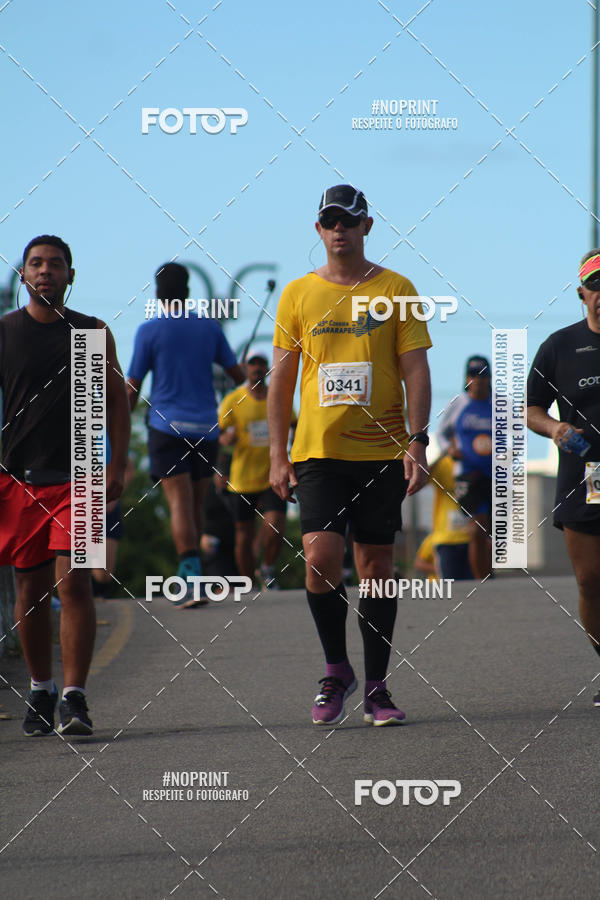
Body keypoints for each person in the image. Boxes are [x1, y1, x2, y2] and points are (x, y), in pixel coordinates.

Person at [268, 184, 432, 726]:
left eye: (349, 220)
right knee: (319, 559)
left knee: (377, 567)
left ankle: (378, 686)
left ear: (367, 226)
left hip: (382, 450)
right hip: (317, 451)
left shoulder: (396, 288)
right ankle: (337, 670)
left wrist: (418, 439)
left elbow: (415, 370)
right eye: (329, 221)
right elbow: (282, 380)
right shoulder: (296, 294)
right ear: (318, 230)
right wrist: (277, 451)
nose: (339, 230)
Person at [0, 235, 130, 735]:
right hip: (18, 482)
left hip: (81, 477)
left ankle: (74, 697)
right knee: (30, 591)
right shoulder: (6, 332)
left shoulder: (91, 332)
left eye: (56, 264)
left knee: (74, 582)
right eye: (36, 264)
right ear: (24, 275)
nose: (46, 270)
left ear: (71, 276)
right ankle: (40, 688)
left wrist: (116, 467)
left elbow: (117, 403)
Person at [127, 263, 244, 608]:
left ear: (158, 293)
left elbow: (133, 386)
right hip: (206, 428)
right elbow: (237, 376)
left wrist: (118, 426)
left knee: (178, 503)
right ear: (188, 292)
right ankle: (195, 574)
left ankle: (190, 576)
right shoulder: (210, 328)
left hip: (167, 427)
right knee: (194, 504)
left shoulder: (148, 331)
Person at [527, 249, 600, 707]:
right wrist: (554, 427)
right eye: (596, 287)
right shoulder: (559, 345)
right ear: (582, 293)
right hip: (587, 472)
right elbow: (531, 408)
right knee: (591, 580)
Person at [218, 347, 292, 589]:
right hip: (242, 478)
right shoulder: (233, 399)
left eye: (261, 364)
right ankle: (248, 581)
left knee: (276, 524)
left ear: (268, 369)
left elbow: (296, 424)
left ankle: (268, 569)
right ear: (245, 368)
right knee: (244, 534)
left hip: (272, 474)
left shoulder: (277, 396)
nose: (257, 368)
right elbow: (216, 434)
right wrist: (224, 441)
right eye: (252, 364)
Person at [437, 356, 492, 579]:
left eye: (483, 375)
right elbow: (441, 433)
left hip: (495, 474)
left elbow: (515, 432)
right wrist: (449, 450)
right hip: (467, 474)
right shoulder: (458, 403)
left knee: (493, 530)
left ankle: (489, 574)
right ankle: (482, 580)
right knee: (478, 527)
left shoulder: (499, 403)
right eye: (473, 375)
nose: (478, 381)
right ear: (467, 378)